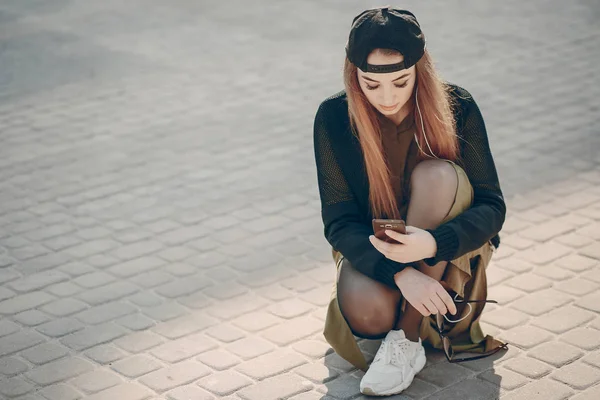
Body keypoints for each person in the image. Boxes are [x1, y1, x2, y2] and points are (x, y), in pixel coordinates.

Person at [313, 6, 508, 397]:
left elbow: (492, 206)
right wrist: (401, 272)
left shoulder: (458, 105)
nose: (387, 96)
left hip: (448, 251)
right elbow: (339, 222)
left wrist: (434, 244)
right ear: (355, 77)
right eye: (371, 84)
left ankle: (406, 339)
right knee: (367, 312)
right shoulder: (333, 117)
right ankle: (411, 311)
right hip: (375, 249)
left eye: (401, 81)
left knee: (437, 175)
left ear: (420, 69)